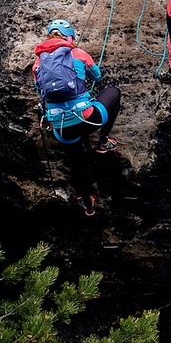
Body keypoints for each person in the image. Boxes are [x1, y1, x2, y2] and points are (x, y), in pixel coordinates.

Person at [33, 19, 122, 216]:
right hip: (88, 119)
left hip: (63, 127)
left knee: (76, 163)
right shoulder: (78, 54)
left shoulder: (38, 64)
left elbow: (41, 92)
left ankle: (88, 204)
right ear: (70, 38)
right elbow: (97, 76)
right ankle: (103, 142)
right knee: (113, 92)